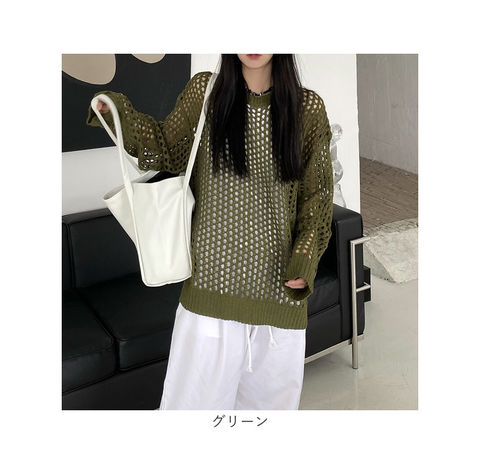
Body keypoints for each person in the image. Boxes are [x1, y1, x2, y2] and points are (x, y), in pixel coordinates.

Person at [86, 54, 334, 410]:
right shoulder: (206, 93)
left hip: (280, 297)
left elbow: (317, 198)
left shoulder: (307, 109)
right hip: (210, 292)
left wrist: (304, 260)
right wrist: (117, 112)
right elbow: (163, 148)